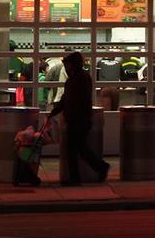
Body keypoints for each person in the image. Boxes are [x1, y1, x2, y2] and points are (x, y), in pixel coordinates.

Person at [47, 51, 109, 185]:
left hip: (78, 120)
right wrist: (55, 111)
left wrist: (58, 111)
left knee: (74, 149)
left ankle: (82, 175)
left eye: (68, 65)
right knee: (79, 149)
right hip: (78, 119)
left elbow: (72, 100)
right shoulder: (78, 79)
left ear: (74, 65)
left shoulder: (78, 79)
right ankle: (97, 168)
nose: (67, 68)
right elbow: (66, 100)